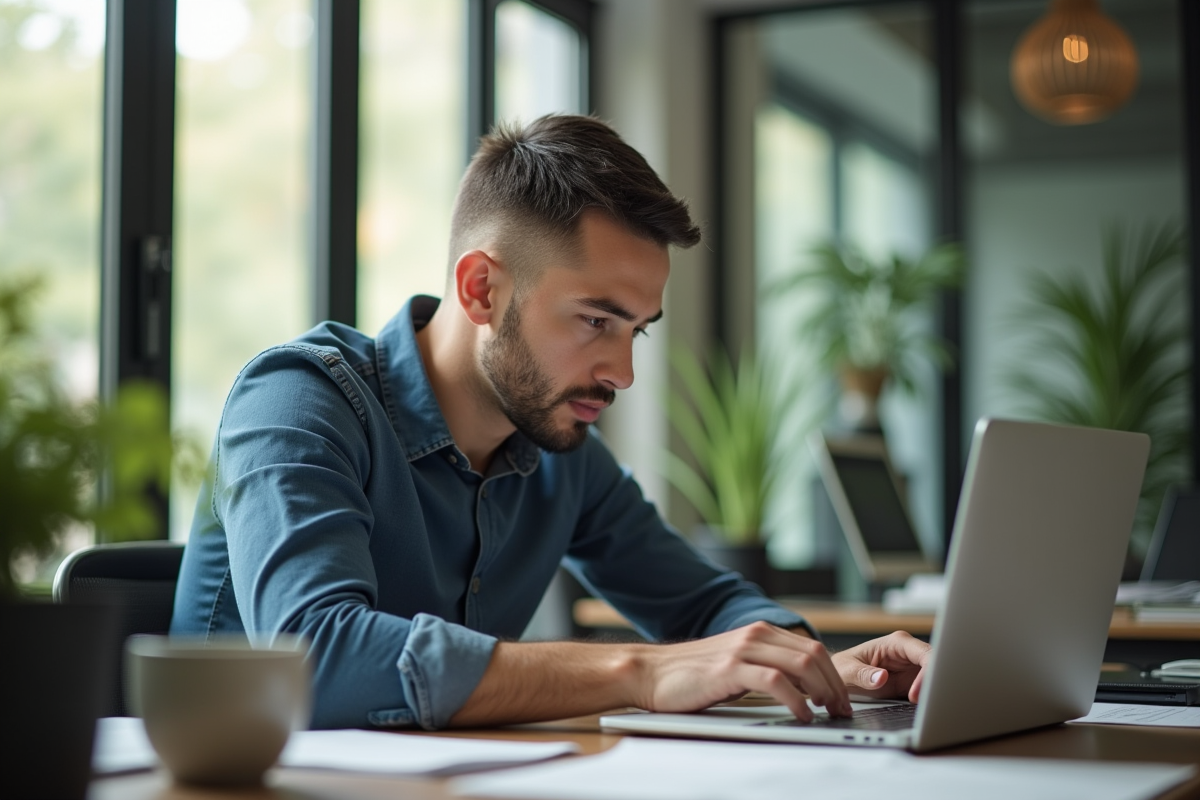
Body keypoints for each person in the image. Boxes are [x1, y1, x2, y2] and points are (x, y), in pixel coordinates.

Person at [171, 114, 930, 730]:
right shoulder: (297, 401)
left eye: (638, 329)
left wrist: (819, 662)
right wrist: (641, 672)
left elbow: (702, 605)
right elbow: (316, 654)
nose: (624, 372)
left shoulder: (557, 447)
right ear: (481, 290)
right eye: (596, 320)